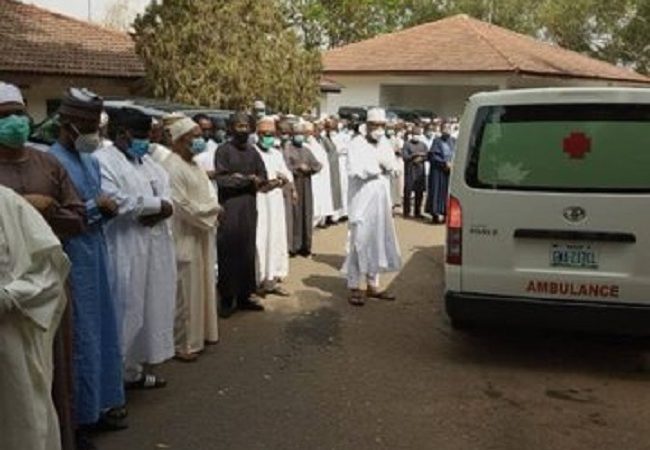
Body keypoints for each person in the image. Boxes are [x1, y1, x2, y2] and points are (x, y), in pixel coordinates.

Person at [0, 82, 85, 450]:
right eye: (5, 117)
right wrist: (23, 203)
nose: (16, 122)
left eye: (19, 113)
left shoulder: (47, 163)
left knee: (57, 366)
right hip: (7, 296)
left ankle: (64, 437)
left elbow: (78, 216)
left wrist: (48, 208)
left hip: (48, 282)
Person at [49, 88, 125, 450]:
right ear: (68, 125)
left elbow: (96, 203)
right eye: (89, 126)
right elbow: (60, 216)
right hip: (72, 257)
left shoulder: (91, 161)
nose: (95, 134)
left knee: (102, 332)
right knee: (79, 338)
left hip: (97, 253)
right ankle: (76, 420)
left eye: (97, 126)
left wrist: (105, 209)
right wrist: (97, 208)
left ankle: (99, 406)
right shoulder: (52, 162)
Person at [96, 108, 175, 387]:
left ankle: (134, 371)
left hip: (154, 246)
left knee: (150, 306)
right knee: (125, 309)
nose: (145, 142)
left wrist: (161, 206)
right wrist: (157, 206)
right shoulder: (103, 161)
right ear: (121, 134)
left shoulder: (149, 162)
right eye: (140, 136)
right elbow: (116, 201)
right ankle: (113, 381)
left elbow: (168, 194)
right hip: (124, 246)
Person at [0, 185, 71, 450]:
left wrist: (10, 296)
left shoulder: (8, 204)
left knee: (20, 426)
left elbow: (49, 270)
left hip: (9, 349)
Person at [160, 117, 219, 360]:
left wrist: (213, 209)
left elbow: (209, 194)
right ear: (179, 140)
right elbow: (181, 205)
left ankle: (202, 334)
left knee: (202, 285)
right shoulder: (172, 167)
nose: (199, 141)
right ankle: (183, 343)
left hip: (201, 232)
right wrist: (213, 212)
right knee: (185, 291)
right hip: (184, 234)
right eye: (193, 137)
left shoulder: (193, 165)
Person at [342, 108, 401, 306]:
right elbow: (356, 169)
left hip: (381, 203)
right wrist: (378, 166)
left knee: (377, 242)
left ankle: (373, 285)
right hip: (361, 203)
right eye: (375, 125)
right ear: (367, 125)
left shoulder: (385, 143)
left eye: (382, 125)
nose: (378, 129)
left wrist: (389, 166)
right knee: (358, 243)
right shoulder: (356, 144)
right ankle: (354, 286)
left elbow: (393, 166)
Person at [215, 112, 268, 316]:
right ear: (230, 128)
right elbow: (223, 180)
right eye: (238, 126)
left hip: (248, 207)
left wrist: (252, 179)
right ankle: (227, 298)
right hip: (229, 208)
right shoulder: (223, 151)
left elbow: (263, 176)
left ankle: (245, 295)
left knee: (247, 251)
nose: (243, 130)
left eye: (246, 126)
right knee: (228, 251)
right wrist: (247, 180)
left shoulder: (253, 152)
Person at [254, 117, 292, 297]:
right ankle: (258, 280)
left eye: (271, 134)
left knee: (276, 237)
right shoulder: (252, 153)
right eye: (264, 134)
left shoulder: (276, 153)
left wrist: (277, 182)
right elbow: (260, 183)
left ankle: (272, 280)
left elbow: (286, 175)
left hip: (275, 202)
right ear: (258, 134)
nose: (268, 138)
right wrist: (276, 181)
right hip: (259, 202)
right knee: (261, 238)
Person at [283, 122, 322, 257]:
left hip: (306, 184)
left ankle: (306, 247)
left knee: (306, 214)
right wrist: (297, 167)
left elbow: (318, 165)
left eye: (301, 134)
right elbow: (285, 167)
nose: (299, 137)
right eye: (297, 134)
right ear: (292, 135)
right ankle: (293, 246)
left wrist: (309, 169)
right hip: (294, 185)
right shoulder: (288, 149)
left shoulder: (306, 150)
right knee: (294, 215)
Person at [305, 121, 334, 228]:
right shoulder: (305, 144)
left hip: (319, 176)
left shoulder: (316, 143)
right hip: (312, 176)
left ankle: (319, 220)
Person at [427, 123, 456, 224]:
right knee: (436, 192)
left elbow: (457, 154)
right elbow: (432, 156)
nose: (447, 130)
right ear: (441, 129)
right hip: (438, 172)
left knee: (448, 193)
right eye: (445, 128)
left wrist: (453, 164)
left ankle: (446, 215)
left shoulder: (454, 141)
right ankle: (435, 215)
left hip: (449, 172)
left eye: (449, 128)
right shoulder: (437, 141)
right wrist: (444, 163)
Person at [402, 126, 428, 218]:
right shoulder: (407, 144)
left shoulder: (423, 145)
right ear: (411, 135)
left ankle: (417, 212)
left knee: (419, 193)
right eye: (414, 134)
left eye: (417, 134)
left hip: (420, 172)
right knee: (408, 192)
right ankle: (406, 212)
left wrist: (421, 158)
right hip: (410, 171)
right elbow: (405, 157)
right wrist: (414, 155)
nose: (416, 136)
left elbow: (427, 156)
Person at [321, 117, 344, 222]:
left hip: (334, 168)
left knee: (335, 191)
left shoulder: (331, 138)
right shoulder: (324, 139)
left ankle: (334, 214)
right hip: (328, 169)